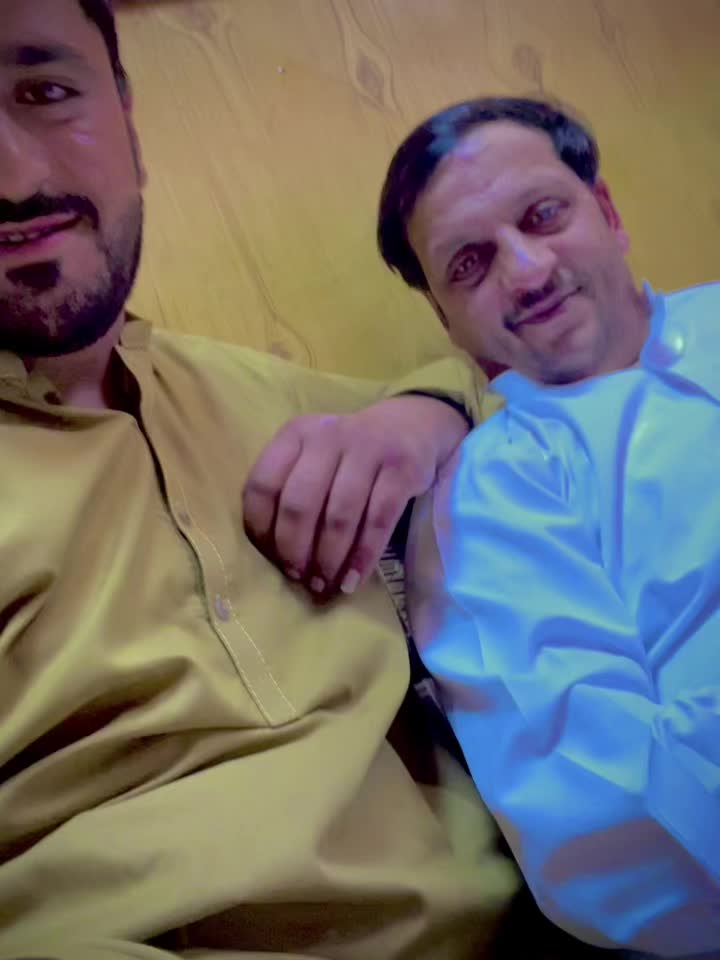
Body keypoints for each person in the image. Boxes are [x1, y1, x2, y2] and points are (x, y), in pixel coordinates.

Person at [0, 3, 538, 957]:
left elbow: (493, 398)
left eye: (45, 92)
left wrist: (420, 415)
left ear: (128, 124)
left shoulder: (252, 391)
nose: (15, 178)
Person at [376, 95, 720, 957]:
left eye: (542, 216)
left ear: (606, 212)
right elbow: (622, 855)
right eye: (470, 264)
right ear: (446, 320)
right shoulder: (491, 495)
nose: (527, 272)